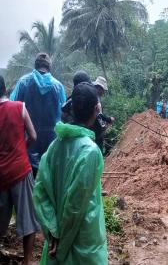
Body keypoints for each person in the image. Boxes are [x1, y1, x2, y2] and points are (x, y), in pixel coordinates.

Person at [33, 83, 108, 264]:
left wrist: (53, 232)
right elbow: (75, 206)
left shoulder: (54, 146)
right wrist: (62, 245)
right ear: (96, 109)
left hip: (57, 238)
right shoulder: (90, 151)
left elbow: (40, 192)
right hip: (83, 243)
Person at [0, 75, 40, 265]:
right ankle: (28, 260)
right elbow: (33, 135)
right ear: (5, 88)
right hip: (21, 170)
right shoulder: (19, 107)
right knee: (27, 219)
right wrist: (21, 149)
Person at [10, 53, 66, 175]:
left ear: (35, 65)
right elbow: (64, 113)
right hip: (52, 141)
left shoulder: (23, 83)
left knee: (30, 179)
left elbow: (13, 108)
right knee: (48, 178)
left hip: (28, 140)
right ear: (49, 67)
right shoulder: (58, 86)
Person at [92, 76, 115, 152]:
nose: (104, 92)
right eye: (103, 90)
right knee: (98, 145)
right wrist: (108, 119)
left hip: (89, 127)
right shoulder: (94, 96)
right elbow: (98, 114)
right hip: (93, 128)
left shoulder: (91, 93)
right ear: (99, 88)